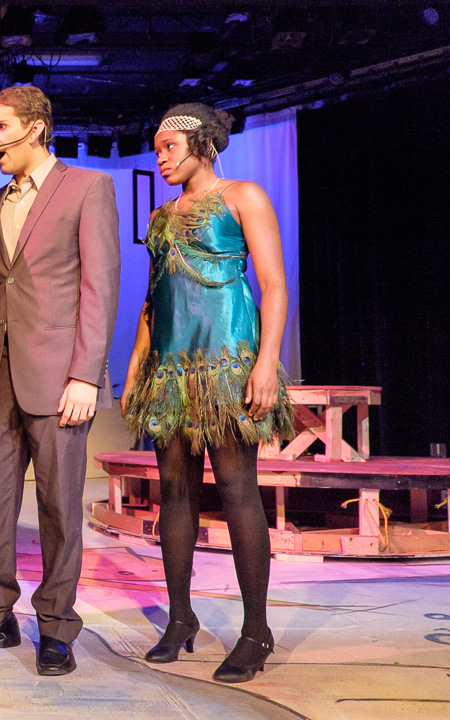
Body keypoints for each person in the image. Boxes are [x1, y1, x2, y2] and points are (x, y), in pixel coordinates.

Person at [0, 86, 120, 676]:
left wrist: (85, 374)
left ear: (36, 128)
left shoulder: (88, 186)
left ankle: (57, 628)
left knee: (59, 506)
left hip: (60, 376)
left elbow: (100, 287)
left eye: (0, 128)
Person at [120, 103, 294, 683]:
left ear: (202, 144)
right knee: (174, 492)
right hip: (171, 370)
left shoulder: (244, 197)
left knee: (239, 490)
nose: (161, 158)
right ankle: (180, 618)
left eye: (169, 147)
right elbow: (154, 298)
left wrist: (266, 362)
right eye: (157, 149)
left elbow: (273, 286)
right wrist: (135, 365)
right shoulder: (159, 217)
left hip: (227, 364)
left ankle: (256, 630)